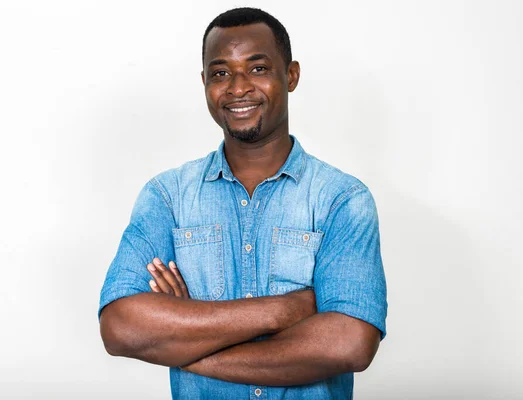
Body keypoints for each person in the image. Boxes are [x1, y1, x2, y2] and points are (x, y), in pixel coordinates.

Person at [99, 7, 387, 399]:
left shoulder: (341, 200)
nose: (237, 87)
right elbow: (121, 328)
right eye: (220, 73)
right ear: (204, 83)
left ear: (291, 75)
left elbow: (349, 343)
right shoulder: (168, 197)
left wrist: (185, 344)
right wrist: (282, 311)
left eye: (257, 69)